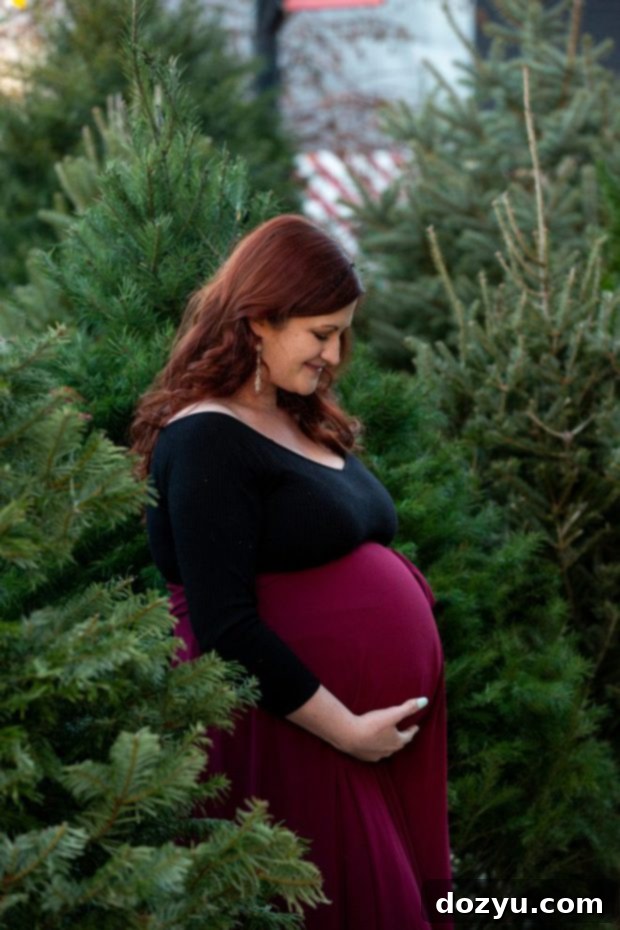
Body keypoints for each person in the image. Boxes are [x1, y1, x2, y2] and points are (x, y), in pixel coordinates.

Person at [131, 214, 452, 929]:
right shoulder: (207, 437)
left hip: (355, 732)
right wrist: (345, 731)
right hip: (291, 731)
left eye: (343, 332)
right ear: (258, 322)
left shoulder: (295, 415)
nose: (335, 353)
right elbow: (225, 626)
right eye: (319, 333)